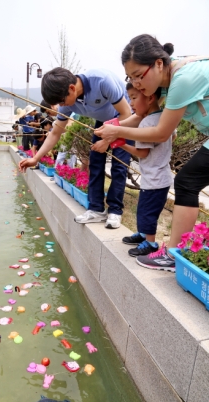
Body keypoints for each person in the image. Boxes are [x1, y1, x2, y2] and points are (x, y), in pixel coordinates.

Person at [94, 34, 209, 271]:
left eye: (138, 76)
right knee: (187, 182)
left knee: (187, 182)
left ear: (158, 63)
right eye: (131, 78)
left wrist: (116, 134)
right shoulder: (165, 82)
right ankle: (177, 253)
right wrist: (114, 127)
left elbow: (160, 133)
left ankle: (174, 255)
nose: (135, 84)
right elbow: (141, 118)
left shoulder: (182, 79)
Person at [19, 67, 132, 229]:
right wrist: (35, 158)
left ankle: (115, 210)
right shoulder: (67, 103)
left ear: (72, 88)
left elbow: (126, 114)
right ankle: (96, 209)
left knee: (119, 164)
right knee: (95, 161)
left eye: (62, 102)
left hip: (123, 118)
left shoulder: (102, 81)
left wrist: (107, 140)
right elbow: (55, 133)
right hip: (104, 121)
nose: (61, 106)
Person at [120, 83, 173, 257]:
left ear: (150, 97)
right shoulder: (165, 117)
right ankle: (143, 235)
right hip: (160, 177)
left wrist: (122, 145)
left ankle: (150, 243)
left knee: (147, 212)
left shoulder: (146, 123)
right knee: (145, 210)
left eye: (134, 98)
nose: (131, 103)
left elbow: (142, 153)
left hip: (154, 180)